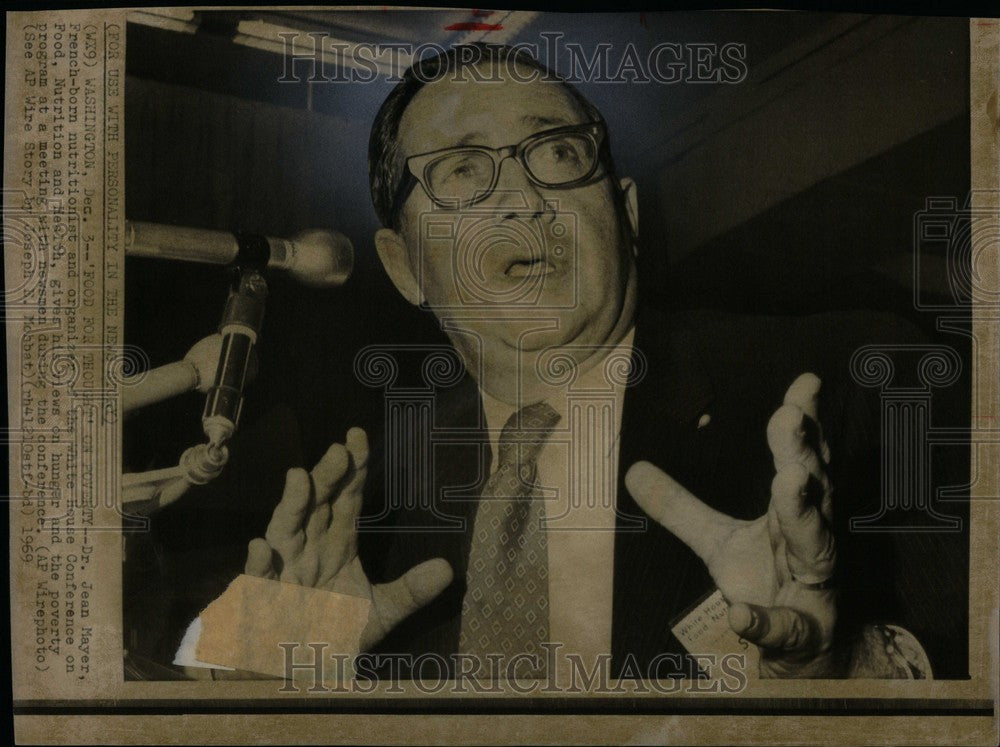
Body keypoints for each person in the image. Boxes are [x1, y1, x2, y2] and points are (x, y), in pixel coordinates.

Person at [188, 44, 968, 682]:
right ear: (403, 267)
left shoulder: (860, 380)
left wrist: (836, 670)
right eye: (462, 169)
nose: (522, 201)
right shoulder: (364, 498)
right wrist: (267, 674)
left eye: (557, 153)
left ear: (626, 215)